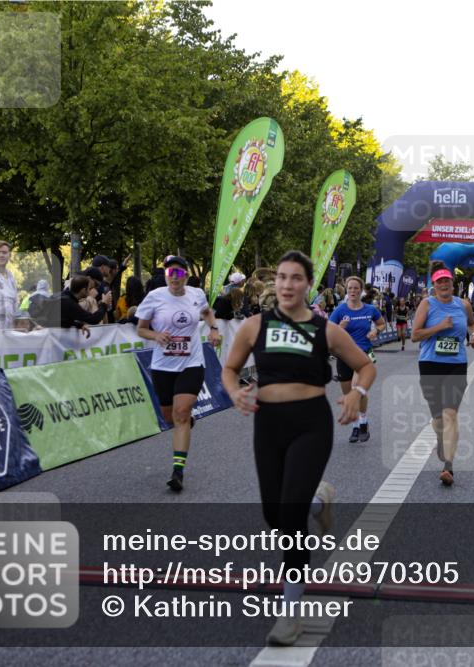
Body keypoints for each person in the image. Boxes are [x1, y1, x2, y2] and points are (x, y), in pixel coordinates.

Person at [221, 250, 376, 647]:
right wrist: (234, 392)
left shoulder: (326, 329)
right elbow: (229, 369)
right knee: (274, 516)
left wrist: (357, 394)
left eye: (295, 278)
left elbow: (366, 365)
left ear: (308, 285)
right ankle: (317, 501)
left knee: (289, 524)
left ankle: (290, 616)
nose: (287, 285)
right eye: (282, 278)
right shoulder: (255, 326)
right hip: (269, 425)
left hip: (311, 423)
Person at [135, 256, 222, 492]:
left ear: (185, 276)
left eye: (179, 273)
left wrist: (213, 329)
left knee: (181, 412)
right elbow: (141, 328)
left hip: (191, 363)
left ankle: (177, 471)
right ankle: (185, 422)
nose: (174, 277)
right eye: (170, 272)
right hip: (163, 365)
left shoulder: (196, 295)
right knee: (169, 417)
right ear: (166, 275)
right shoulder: (154, 297)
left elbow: (207, 312)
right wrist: (156, 336)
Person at [411, 265, 474, 486]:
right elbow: (415, 336)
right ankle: (441, 438)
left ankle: (448, 466)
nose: (444, 285)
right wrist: (439, 327)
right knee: (438, 418)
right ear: (434, 285)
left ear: (452, 284)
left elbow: (471, 324)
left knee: (450, 414)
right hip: (430, 364)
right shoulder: (427, 304)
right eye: (439, 281)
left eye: (447, 281)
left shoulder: (463, 305)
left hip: (456, 365)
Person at [329, 276, 386, 442]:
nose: (353, 291)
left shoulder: (370, 309)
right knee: (348, 393)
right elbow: (329, 332)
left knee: (357, 388)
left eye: (356, 288)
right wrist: (341, 327)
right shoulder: (340, 311)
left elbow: (381, 323)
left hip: (363, 354)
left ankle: (363, 422)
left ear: (361, 291)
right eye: (350, 288)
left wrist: (376, 331)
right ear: (346, 291)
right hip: (344, 355)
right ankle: (355, 426)